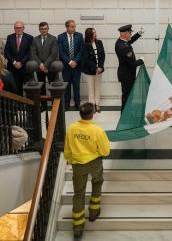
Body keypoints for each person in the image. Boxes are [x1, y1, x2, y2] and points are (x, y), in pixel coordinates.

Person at [64, 102, 110, 240]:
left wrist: (70, 160)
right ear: (92, 115)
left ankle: (77, 227)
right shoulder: (97, 130)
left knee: (78, 193)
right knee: (97, 182)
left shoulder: (71, 128)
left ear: (80, 113)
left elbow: (67, 149)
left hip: (78, 164)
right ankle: (94, 212)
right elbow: (105, 151)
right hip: (94, 162)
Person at [115, 24, 144, 112]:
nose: (131, 35)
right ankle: (125, 114)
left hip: (124, 73)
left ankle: (126, 112)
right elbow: (133, 64)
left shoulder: (120, 42)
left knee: (126, 95)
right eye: (130, 33)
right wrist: (141, 61)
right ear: (125, 33)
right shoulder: (125, 47)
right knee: (127, 96)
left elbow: (130, 41)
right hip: (127, 75)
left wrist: (139, 34)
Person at [58, 20, 84, 110]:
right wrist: (69, 62)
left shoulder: (79, 36)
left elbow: (81, 51)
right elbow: (61, 52)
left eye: (74, 26)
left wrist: (75, 61)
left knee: (76, 86)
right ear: (67, 27)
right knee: (67, 86)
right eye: (72, 27)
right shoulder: (60, 37)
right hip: (66, 66)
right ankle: (67, 103)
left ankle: (77, 103)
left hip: (77, 66)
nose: (74, 28)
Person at [30, 22, 59, 98]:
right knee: (41, 87)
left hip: (51, 68)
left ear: (48, 29)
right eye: (42, 29)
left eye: (45, 28)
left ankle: (54, 104)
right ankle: (43, 106)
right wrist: (40, 64)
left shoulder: (53, 39)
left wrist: (45, 65)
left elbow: (53, 54)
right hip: (39, 68)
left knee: (53, 87)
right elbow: (33, 54)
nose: (44, 30)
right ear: (39, 29)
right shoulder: (35, 39)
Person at [4, 21, 33, 96]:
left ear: (23, 28)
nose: (18, 29)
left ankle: (29, 107)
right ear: (14, 28)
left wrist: (21, 63)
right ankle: (19, 107)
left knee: (29, 89)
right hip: (13, 69)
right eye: (17, 28)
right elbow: (7, 52)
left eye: (20, 27)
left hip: (26, 68)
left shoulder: (29, 37)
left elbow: (30, 52)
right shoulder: (10, 37)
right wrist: (14, 62)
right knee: (16, 90)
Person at [81, 28, 105, 113]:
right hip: (89, 71)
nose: (95, 34)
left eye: (95, 32)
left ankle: (97, 104)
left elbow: (103, 55)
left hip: (99, 70)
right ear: (89, 34)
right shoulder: (84, 44)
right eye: (93, 33)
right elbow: (86, 59)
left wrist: (101, 67)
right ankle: (91, 105)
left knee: (98, 87)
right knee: (91, 89)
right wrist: (95, 68)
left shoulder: (99, 42)